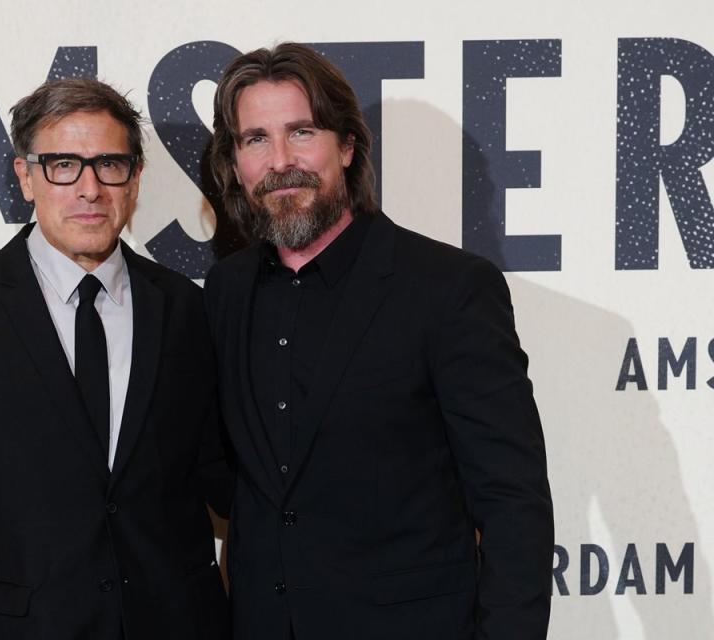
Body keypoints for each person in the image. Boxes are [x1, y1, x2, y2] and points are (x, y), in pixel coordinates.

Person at [205, 43, 554, 640]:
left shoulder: (448, 289)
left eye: (302, 131)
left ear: (347, 146)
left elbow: (511, 503)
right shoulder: (225, 290)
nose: (280, 159)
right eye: (255, 139)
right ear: (235, 163)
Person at [0, 78, 231, 640]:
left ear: (135, 177)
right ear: (25, 177)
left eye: (110, 164)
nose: (89, 189)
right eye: (63, 165)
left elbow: (227, 477)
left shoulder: (186, 309)